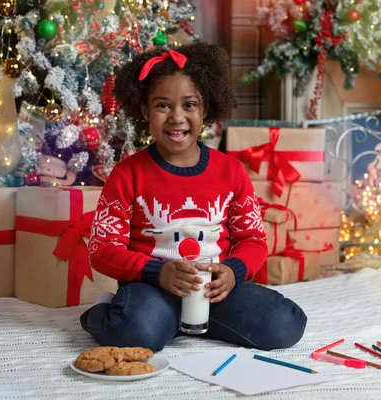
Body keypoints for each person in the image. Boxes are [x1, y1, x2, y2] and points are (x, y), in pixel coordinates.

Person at [80, 42, 307, 352]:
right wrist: (157, 272)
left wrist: (233, 271)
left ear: (206, 109)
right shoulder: (127, 175)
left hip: (214, 291)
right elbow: (102, 249)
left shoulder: (231, 172)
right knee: (134, 332)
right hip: (153, 289)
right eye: (163, 105)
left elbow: (254, 240)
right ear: (145, 109)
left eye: (189, 105)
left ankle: (186, 323)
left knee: (286, 323)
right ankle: (117, 313)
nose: (177, 117)